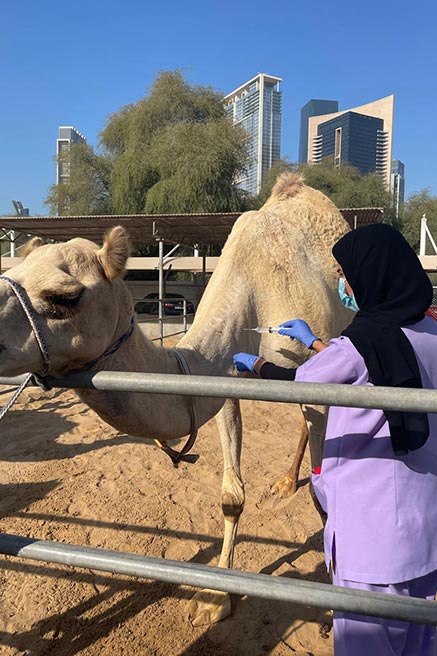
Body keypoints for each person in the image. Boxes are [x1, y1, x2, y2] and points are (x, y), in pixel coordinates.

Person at [233, 223, 437, 656]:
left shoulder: (359, 345)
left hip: (375, 539)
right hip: (426, 532)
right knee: (419, 641)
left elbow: (301, 383)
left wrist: (253, 366)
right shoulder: (430, 332)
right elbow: (371, 367)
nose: (343, 284)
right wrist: (316, 342)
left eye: (345, 274)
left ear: (371, 274)